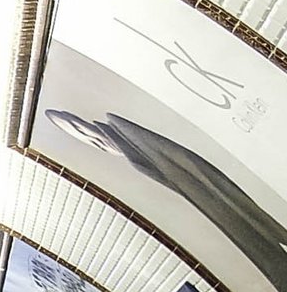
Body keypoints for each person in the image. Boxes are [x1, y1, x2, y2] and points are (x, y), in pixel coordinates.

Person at [43, 108, 287, 282]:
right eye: (79, 137)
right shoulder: (131, 154)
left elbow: (193, 167)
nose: (89, 138)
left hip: (221, 197)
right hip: (217, 212)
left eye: (77, 127)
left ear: (80, 120)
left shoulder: (128, 132)